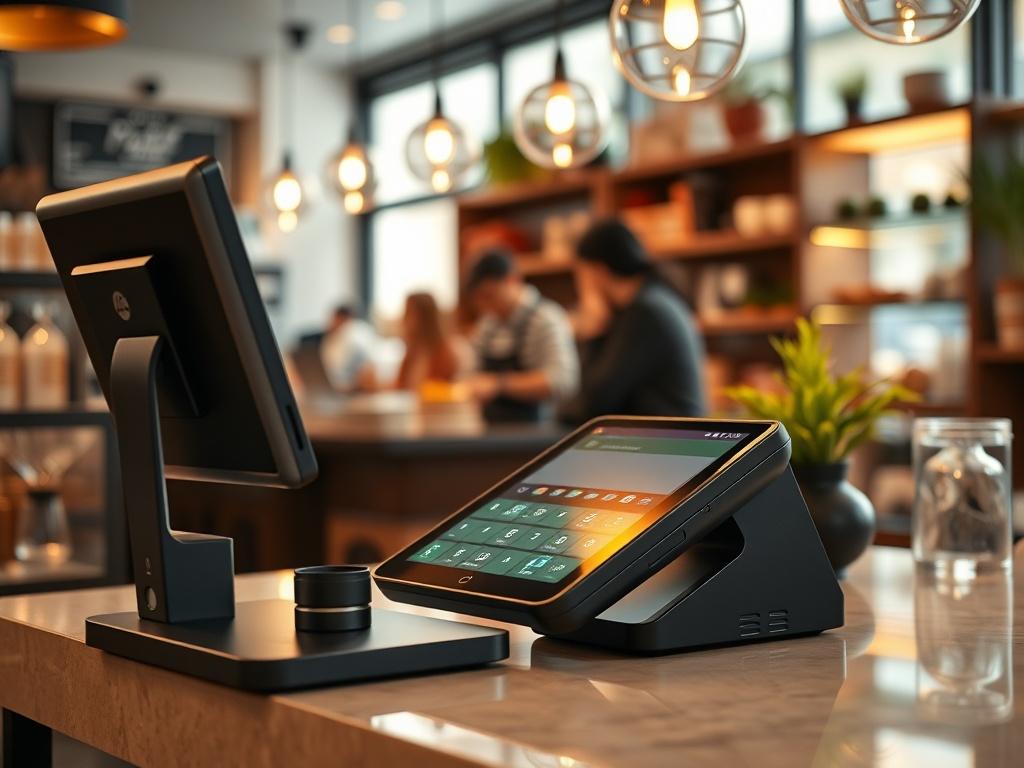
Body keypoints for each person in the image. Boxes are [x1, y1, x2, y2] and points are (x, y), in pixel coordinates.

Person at [563, 219, 706, 422]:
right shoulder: (650, 300)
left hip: (670, 443)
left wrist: (591, 334)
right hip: (662, 437)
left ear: (598, 271)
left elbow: (591, 403)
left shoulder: (645, 312)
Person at [466, 250, 579, 422]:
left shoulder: (546, 318)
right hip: (492, 428)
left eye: (490, 295)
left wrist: (499, 385)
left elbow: (562, 382)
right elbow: (472, 373)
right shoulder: (487, 325)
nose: (485, 305)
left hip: (537, 431)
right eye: (480, 299)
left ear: (512, 280)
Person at [395, 292, 463, 391]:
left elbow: (441, 389)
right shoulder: (412, 353)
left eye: (408, 313)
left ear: (425, 317)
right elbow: (399, 386)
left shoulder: (445, 354)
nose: (403, 319)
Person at [319, 303, 377, 392]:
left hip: (353, 390)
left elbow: (338, 368)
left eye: (334, 319)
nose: (331, 322)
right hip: (337, 388)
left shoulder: (354, 334)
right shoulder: (332, 338)